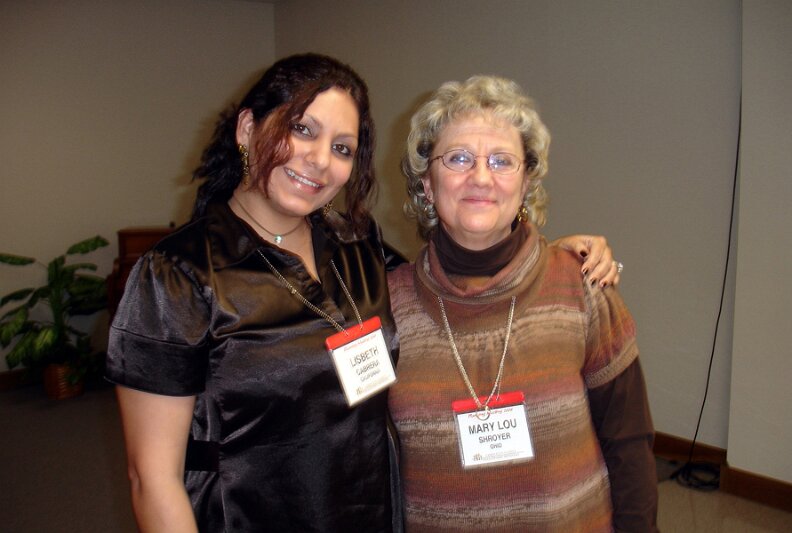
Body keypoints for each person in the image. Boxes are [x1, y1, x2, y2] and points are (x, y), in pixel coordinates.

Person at [106, 53, 619, 532]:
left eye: (342, 148)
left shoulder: (355, 243)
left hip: (371, 513)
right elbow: (151, 480)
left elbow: (446, 279)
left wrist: (544, 255)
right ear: (247, 129)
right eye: (301, 129)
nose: (318, 160)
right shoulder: (178, 275)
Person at [387, 76, 657, 532]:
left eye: (501, 160)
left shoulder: (583, 286)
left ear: (526, 182)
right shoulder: (387, 306)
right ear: (427, 184)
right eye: (458, 158)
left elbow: (629, 443)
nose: (480, 177)